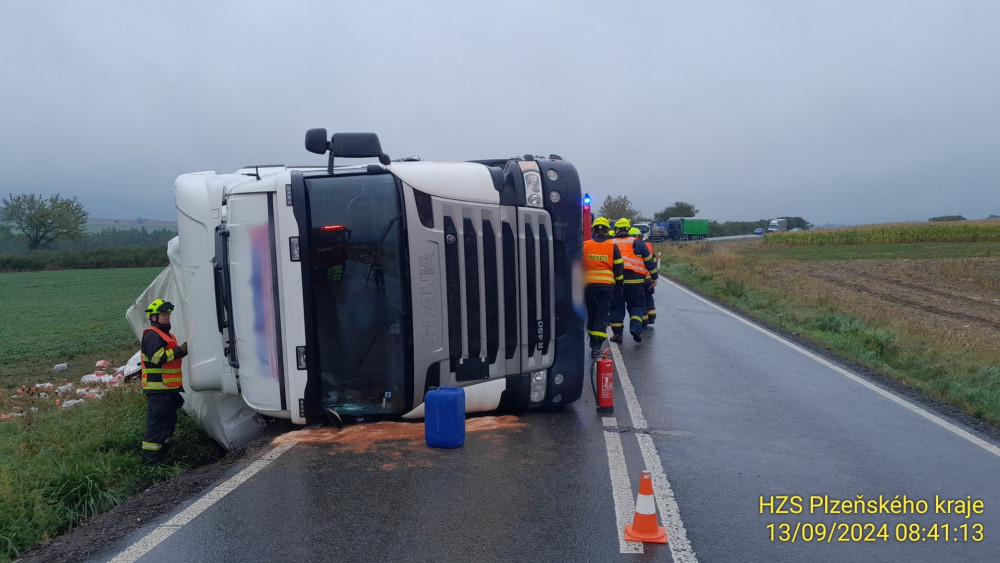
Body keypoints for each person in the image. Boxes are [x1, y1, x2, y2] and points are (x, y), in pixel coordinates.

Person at [140, 299, 188, 466]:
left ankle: (162, 455)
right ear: (153, 317)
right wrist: (180, 350)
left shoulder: (167, 335)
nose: (167, 317)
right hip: (158, 390)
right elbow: (156, 358)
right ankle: (150, 461)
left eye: (168, 314)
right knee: (157, 425)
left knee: (167, 423)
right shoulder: (152, 335)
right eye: (163, 315)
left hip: (167, 389)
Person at [609, 218, 658, 343]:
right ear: (628, 229)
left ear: (617, 230)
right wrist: (654, 277)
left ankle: (617, 335)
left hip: (617, 282)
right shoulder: (638, 242)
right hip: (636, 282)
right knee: (636, 306)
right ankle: (635, 329)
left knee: (617, 308)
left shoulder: (610, 243)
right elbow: (649, 262)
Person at [583, 217, 624, 358]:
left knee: (591, 314)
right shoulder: (612, 246)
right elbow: (618, 267)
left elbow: (579, 265)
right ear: (607, 230)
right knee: (602, 316)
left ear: (594, 230)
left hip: (588, 286)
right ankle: (596, 347)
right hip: (606, 287)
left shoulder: (586, 245)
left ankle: (592, 340)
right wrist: (619, 286)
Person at [629, 227, 658, 328]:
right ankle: (652, 317)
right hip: (649, 277)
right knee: (649, 297)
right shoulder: (648, 245)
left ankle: (644, 321)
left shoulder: (632, 247)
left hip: (640, 277)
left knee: (641, 300)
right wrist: (654, 276)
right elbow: (652, 261)